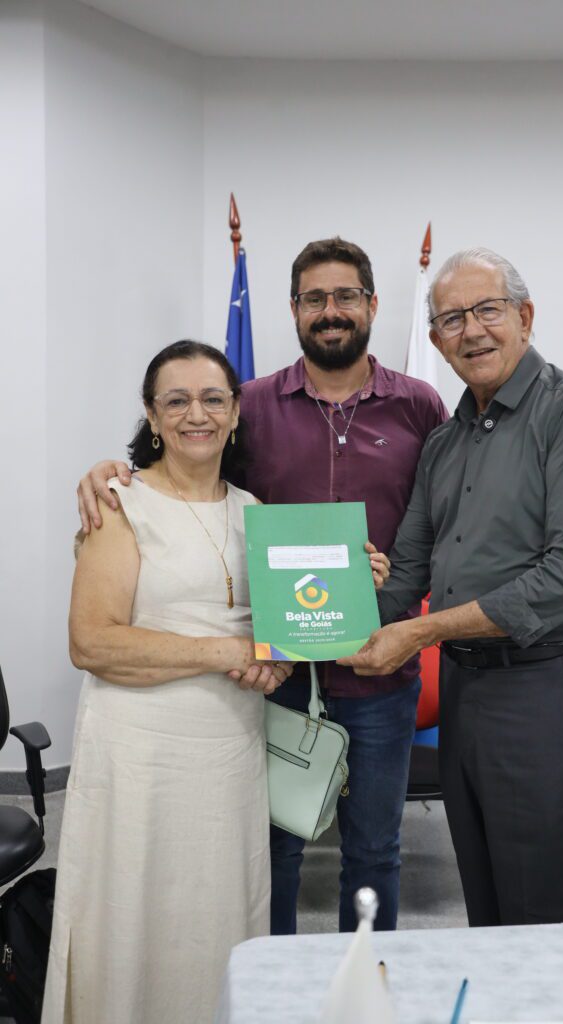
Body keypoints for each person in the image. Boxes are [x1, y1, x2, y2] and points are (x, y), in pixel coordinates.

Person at [76, 237, 449, 934]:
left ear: (372, 305)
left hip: (378, 670)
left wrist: (390, 589)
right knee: (271, 848)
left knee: (374, 851)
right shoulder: (249, 404)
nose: (330, 310)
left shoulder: (420, 406)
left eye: (345, 296)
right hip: (275, 674)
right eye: (314, 298)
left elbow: (442, 523)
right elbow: (186, 477)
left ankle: (365, 982)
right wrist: (107, 472)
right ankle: (267, 982)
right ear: (293, 309)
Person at [340, 247, 563, 927]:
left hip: (549, 695)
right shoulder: (444, 445)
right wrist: (318, 606)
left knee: (542, 925)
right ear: (436, 339)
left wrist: (420, 631)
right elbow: (407, 573)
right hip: (466, 697)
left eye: (487, 310)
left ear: (524, 317)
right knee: (488, 919)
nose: (471, 330)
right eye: (451, 319)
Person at [43, 341, 295, 1024]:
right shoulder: (120, 503)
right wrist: (228, 651)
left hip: (229, 752)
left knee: (216, 911)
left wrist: (280, 655)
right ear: (152, 417)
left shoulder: (255, 511)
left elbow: (274, 632)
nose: (196, 414)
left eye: (213, 399)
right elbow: (91, 643)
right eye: (176, 401)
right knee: (132, 911)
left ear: (235, 413)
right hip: (139, 756)